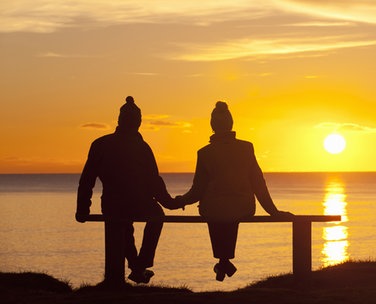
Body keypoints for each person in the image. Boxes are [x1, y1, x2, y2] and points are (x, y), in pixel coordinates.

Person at [176, 101, 293, 282]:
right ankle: (224, 261)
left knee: (216, 209)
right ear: (231, 124)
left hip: (214, 209)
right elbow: (258, 183)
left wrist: (181, 201)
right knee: (230, 210)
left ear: (212, 125)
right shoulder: (246, 147)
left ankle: (223, 260)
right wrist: (273, 211)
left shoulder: (205, 153)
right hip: (243, 208)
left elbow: (197, 191)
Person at [75, 96, 180, 288]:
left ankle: (137, 267)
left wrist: (83, 208)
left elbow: (87, 180)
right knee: (155, 216)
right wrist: (170, 203)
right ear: (137, 122)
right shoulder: (141, 147)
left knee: (124, 225)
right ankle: (140, 265)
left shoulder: (101, 144)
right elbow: (155, 182)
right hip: (137, 202)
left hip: (112, 203)